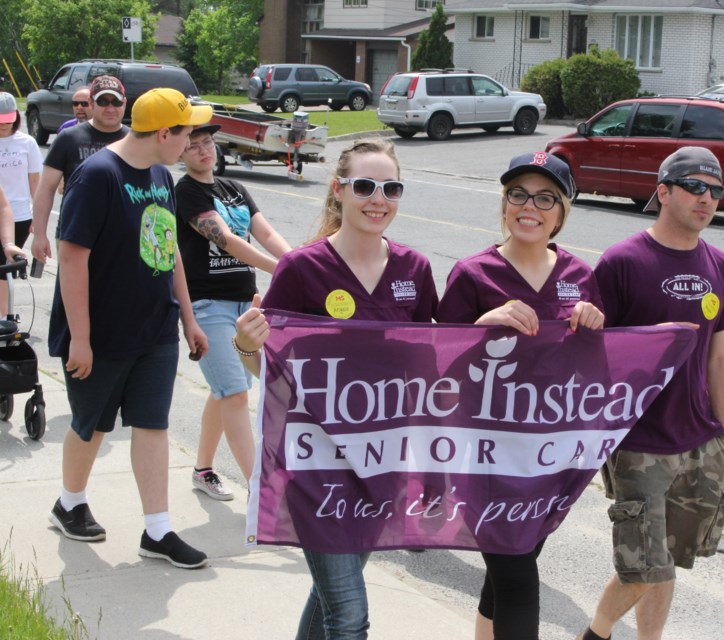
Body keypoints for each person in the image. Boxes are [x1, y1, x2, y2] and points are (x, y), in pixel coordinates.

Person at [234, 138, 438, 639]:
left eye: (391, 188)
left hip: (380, 463)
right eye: (365, 186)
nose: (378, 199)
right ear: (339, 191)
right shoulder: (302, 269)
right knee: (348, 617)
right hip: (315, 464)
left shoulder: (415, 269)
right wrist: (245, 345)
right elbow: (275, 373)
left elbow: (436, 360)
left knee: (329, 598)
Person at [435, 151, 605, 640]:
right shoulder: (473, 274)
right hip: (486, 456)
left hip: (549, 456)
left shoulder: (579, 276)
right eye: (518, 194)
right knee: (516, 576)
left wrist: (595, 327)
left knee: (512, 563)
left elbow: (596, 372)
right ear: (504, 203)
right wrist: (480, 326)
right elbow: (437, 368)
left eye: (545, 197)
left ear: (562, 210)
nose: (529, 207)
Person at [46, 87, 214, 570]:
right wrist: (80, 337)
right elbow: (73, 257)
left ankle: (157, 529)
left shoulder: (161, 174)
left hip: (155, 327)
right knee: (91, 425)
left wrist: (187, 316)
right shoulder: (98, 175)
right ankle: (69, 502)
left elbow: (169, 248)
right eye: (186, 133)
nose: (191, 142)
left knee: (153, 424)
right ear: (164, 133)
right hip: (101, 332)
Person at [576, 146, 724, 640]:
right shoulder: (622, 262)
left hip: (699, 439)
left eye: (715, 190)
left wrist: (722, 431)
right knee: (644, 566)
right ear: (663, 191)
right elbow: (592, 355)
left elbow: (719, 355)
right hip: (639, 442)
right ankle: (595, 634)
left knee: (669, 559)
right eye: (694, 186)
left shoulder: (722, 266)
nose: (705, 198)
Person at [175, 122, 291, 499]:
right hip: (208, 307)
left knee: (227, 389)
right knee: (236, 395)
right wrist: (280, 270)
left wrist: (301, 263)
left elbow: (266, 233)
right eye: (193, 146)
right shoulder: (186, 193)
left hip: (246, 305)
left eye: (208, 143)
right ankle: (265, 491)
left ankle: (203, 469)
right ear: (179, 153)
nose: (203, 150)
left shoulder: (235, 189)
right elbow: (225, 240)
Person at [31, 75, 129, 265]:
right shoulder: (68, 138)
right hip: (74, 234)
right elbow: (46, 189)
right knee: (74, 293)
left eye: (116, 102)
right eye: (103, 101)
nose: (110, 108)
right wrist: (39, 234)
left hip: (121, 236)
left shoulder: (133, 140)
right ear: (92, 103)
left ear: (124, 103)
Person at [0, 92, 42, 313]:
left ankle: (5, 315)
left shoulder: (27, 143)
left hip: (19, 214)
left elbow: (35, 179)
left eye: (7, 121)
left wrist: (38, 214)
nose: (3, 126)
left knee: (4, 265)